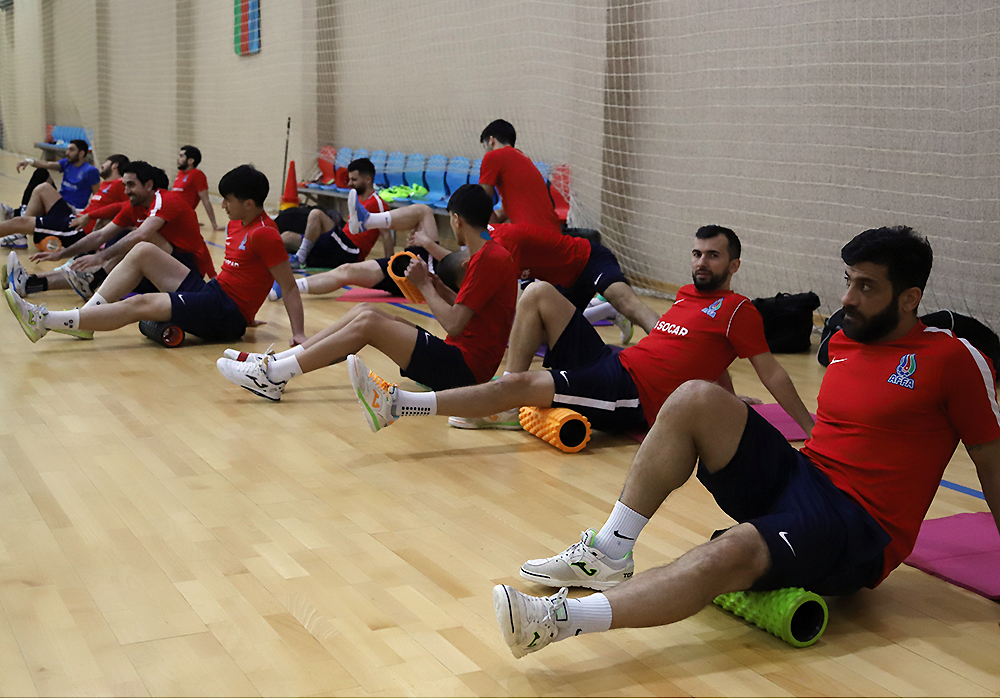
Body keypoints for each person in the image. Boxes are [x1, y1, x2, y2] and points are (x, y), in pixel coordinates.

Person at [488, 225, 1000, 660]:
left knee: (727, 553)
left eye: (866, 287)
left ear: (910, 298)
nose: (847, 298)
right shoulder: (844, 340)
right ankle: (610, 551)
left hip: (858, 526)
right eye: (849, 281)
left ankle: (556, 620)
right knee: (695, 396)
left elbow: (992, 462)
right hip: (805, 475)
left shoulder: (952, 360)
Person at [348, 225, 814, 434]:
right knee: (538, 292)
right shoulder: (686, 296)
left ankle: (398, 405)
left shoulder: (738, 310)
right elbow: (702, 357)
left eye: (713, 255)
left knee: (523, 385)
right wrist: (728, 396)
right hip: (615, 362)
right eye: (697, 254)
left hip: (629, 394)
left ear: (734, 265)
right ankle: (504, 398)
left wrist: (808, 429)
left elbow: (771, 372)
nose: (702, 262)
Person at [216, 184, 517, 403]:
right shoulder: (488, 255)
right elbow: (471, 314)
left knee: (369, 325)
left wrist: (426, 286)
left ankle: (273, 377)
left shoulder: (488, 259)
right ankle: (275, 363)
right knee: (365, 311)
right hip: (460, 358)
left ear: (456, 219)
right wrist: (438, 287)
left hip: (464, 370)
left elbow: (454, 324)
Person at [5, 164, 305, 346]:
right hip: (215, 294)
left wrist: (299, 333)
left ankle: (45, 321)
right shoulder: (238, 223)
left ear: (249, 203)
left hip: (226, 314)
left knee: (141, 303)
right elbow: (237, 272)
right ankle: (88, 319)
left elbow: (289, 287)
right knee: (143, 251)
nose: (223, 205)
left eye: (228, 200)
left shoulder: (264, 233)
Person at [407, 220, 659, 344]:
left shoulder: (499, 250)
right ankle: (608, 311)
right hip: (566, 283)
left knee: (627, 302)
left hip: (588, 259)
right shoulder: (481, 246)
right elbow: (459, 264)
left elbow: (484, 310)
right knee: (544, 337)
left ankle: (668, 343)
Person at [21, 161, 216, 301]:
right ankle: (30, 282)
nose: (126, 190)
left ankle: (95, 280)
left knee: (136, 241)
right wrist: (60, 254)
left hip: (188, 271)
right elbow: (100, 234)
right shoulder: (135, 206)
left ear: (149, 185)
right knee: (101, 269)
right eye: (125, 185)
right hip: (160, 265)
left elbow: (141, 235)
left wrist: (100, 256)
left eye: (131, 185)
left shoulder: (166, 200)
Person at [1, 154, 132, 299]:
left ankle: (27, 272)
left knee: (20, 222)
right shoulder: (106, 185)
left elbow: (125, 210)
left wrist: (96, 228)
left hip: (78, 230)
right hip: (75, 218)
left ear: (114, 165)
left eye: (106, 161)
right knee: (43, 188)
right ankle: (26, 273)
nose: (102, 164)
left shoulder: (121, 184)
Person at [269, 202, 447, 302]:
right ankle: (289, 287)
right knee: (345, 270)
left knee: (424, 212)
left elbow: (453, 263)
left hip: (429, 270)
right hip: (419, 258)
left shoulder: (376, 201)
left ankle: (368, 220)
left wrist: (426, 242)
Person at [284, 158, 391, 271]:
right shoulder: (357, 198)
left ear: (368, 180)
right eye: (350, 179)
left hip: (352, 251)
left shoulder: (377, 203)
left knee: (317, 214)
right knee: (287, 237)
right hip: (339, 245)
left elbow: (387, 235)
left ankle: (300, 259)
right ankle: (296, 257)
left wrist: (389, 267)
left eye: (354, 180)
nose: (350, 183)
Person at [0, 140, 103, 249]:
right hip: (60, 205)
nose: (67, 153)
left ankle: (19, 222)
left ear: (81, 153)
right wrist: (29, 161)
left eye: (71, 150)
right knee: (41, 177)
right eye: (68, 149)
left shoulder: (90, 171)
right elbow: (47, 164)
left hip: (71, 211)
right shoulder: (67, 163)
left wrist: (86, 215)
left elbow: (98, 197)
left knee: (44, 188)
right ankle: (20, 221)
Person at [478, 119, 561, 233]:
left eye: (485, 147)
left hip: (529, 234)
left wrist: (491, 232)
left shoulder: (492, 156)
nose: (485, 152)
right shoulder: (523, 158)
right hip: (553, 232)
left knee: (475, 231)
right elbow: (505, 212)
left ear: (491, 140)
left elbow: (483, 203)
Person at [173, 145, 224, 231]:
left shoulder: (197, 175)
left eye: (181, 156)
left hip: (178, 215)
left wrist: (214, 225)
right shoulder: (181, 173)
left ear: (191, 161)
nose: (178, 159)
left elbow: (205, 201)